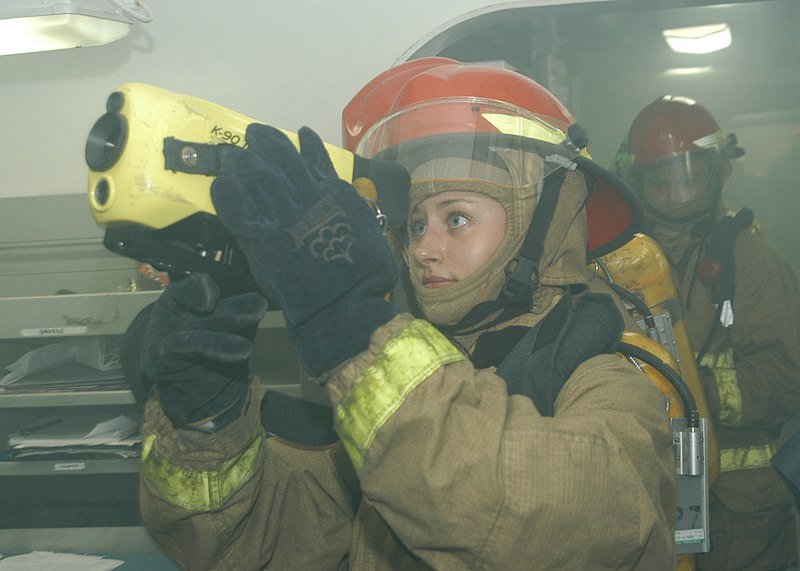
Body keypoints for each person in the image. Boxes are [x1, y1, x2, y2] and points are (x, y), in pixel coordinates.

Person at [125, 57, 677, 570]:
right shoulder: (407, 386)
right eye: (416, 225)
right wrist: (207, 419)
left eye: (456, 219)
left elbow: (531, 511)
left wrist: (352, 328)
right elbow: (254, 544)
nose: (423, 249)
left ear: (546, 222)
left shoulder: (611, 388)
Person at [618, 95, 800, 570]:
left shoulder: (751, 261)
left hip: (743, 510)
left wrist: (689, 394)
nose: (678, 193)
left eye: (691, 178)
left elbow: (786, 379)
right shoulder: (621, 267)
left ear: (717, 173)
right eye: (661, 182)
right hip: (652, 494)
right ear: (638, 185)